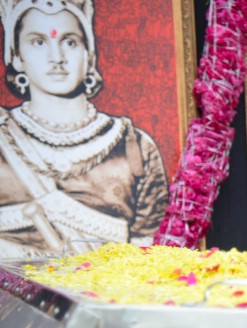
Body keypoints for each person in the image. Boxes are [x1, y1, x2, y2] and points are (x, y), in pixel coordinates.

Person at [0, 0, 169, 259]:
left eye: (70, 42)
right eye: (38, 42)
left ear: (89, 56)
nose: (56, 58)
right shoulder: (3, 139)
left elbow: (151, 264)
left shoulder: (134, 147)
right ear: (16, 57)